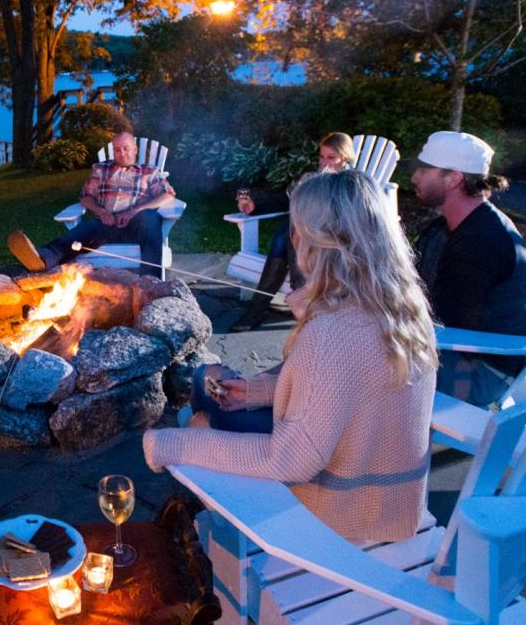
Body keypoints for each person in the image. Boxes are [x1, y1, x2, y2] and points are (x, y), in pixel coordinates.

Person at [143, 169, 438, 543]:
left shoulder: (332, 332)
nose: (292, 238)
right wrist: (256, 392)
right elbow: (346, 390)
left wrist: (171, 443)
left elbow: (292, 461)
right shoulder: (404, 308)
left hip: (339, 520)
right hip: (394, 506)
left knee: (198, 413)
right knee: (206, 382)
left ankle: (214, 531)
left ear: (319, 243)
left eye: (297, 228)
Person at [411, 130, 526, 407]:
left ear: (454, 178)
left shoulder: (483, 242)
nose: (415, 176)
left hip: (477, 372)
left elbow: (441, 318)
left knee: (358, 361)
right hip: (454, 350)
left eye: (424, 169)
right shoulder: (449, 228)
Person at [229, 132, 358, 332]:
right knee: (287, 234)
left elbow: (350, 218)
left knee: (286, 235)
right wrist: (255, 206)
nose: (325, 163)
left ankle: (258, 310)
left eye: (331, 158)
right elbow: (286, 200)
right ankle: (285, 304)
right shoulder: (313, 179)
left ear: (346, 158)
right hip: (303, 235)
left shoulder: (351, 183)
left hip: (334, 241)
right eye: (322, 157)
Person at [7, 131, 175, 277]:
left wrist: (137, 211)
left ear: (135, 149)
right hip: (105, 225)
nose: (122, 153)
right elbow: (86, 197)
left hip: (137, 227)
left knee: (150, 218)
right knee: (84, 230)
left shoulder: (148, 171)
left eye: (126, 148)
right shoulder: (101, 170)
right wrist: (101, 212)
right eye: (117, 150)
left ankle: (150, 283)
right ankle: (42, 259)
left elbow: (168, 194)